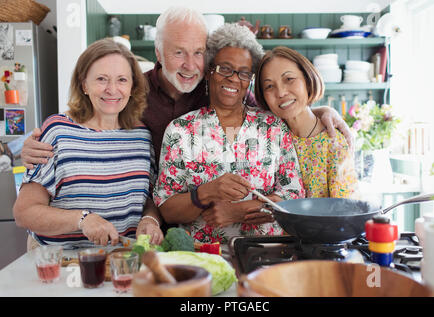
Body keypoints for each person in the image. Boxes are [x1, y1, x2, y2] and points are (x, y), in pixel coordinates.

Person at [20, 6, 352, 170]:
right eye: (179, 53)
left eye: (198, 53)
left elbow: (275, 108)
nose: (190, 65)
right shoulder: (132, 89)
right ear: (159, 53)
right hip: (141, 216)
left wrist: (320, 109)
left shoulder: (220, 88)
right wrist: (38, 142)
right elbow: (90, 116)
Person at [153, 23, 305, 244]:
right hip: (203, 257)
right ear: (208, 73)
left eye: (244, 73)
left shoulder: (272, 126)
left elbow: (294, 198)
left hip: (266, 253)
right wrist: (206, 192)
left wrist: (240, 212)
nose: (234, 78)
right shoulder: (181, 130)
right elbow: (167, 209)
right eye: (225, 68)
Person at [13, 38, 163, 249]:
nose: (112, 89)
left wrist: (150, 219)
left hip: (122, 260)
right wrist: (82, 219)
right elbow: (24, 212)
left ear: (132, 86)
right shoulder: (58, 132)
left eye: (122, 80)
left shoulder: (141, 136)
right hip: (61, 263)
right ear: (84, 84)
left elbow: (147, 198)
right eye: (101, 79)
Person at [255, 46, 358, 198]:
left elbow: (346, 210)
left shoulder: (334, 143)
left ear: (308, 80)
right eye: (269, 86)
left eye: (289, 79)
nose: (281, 92)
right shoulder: (267, 136)